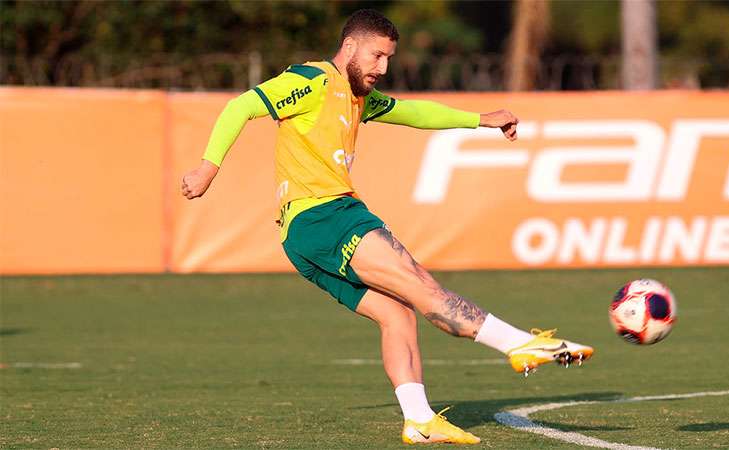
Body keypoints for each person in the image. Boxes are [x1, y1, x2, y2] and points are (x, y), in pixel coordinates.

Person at [182, 9, 593, 445]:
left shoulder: (357, 95)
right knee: (421, 286)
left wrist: (480, 120)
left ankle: (418, 419)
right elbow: (242, 105)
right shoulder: (313, 81)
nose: (382, 68)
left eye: (389, 59)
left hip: (302, 237)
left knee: (397, 316)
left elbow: (414, 113)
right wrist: (209, 167)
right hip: (325, 216)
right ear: (350, 46)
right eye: (377, 56)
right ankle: (517, 344)